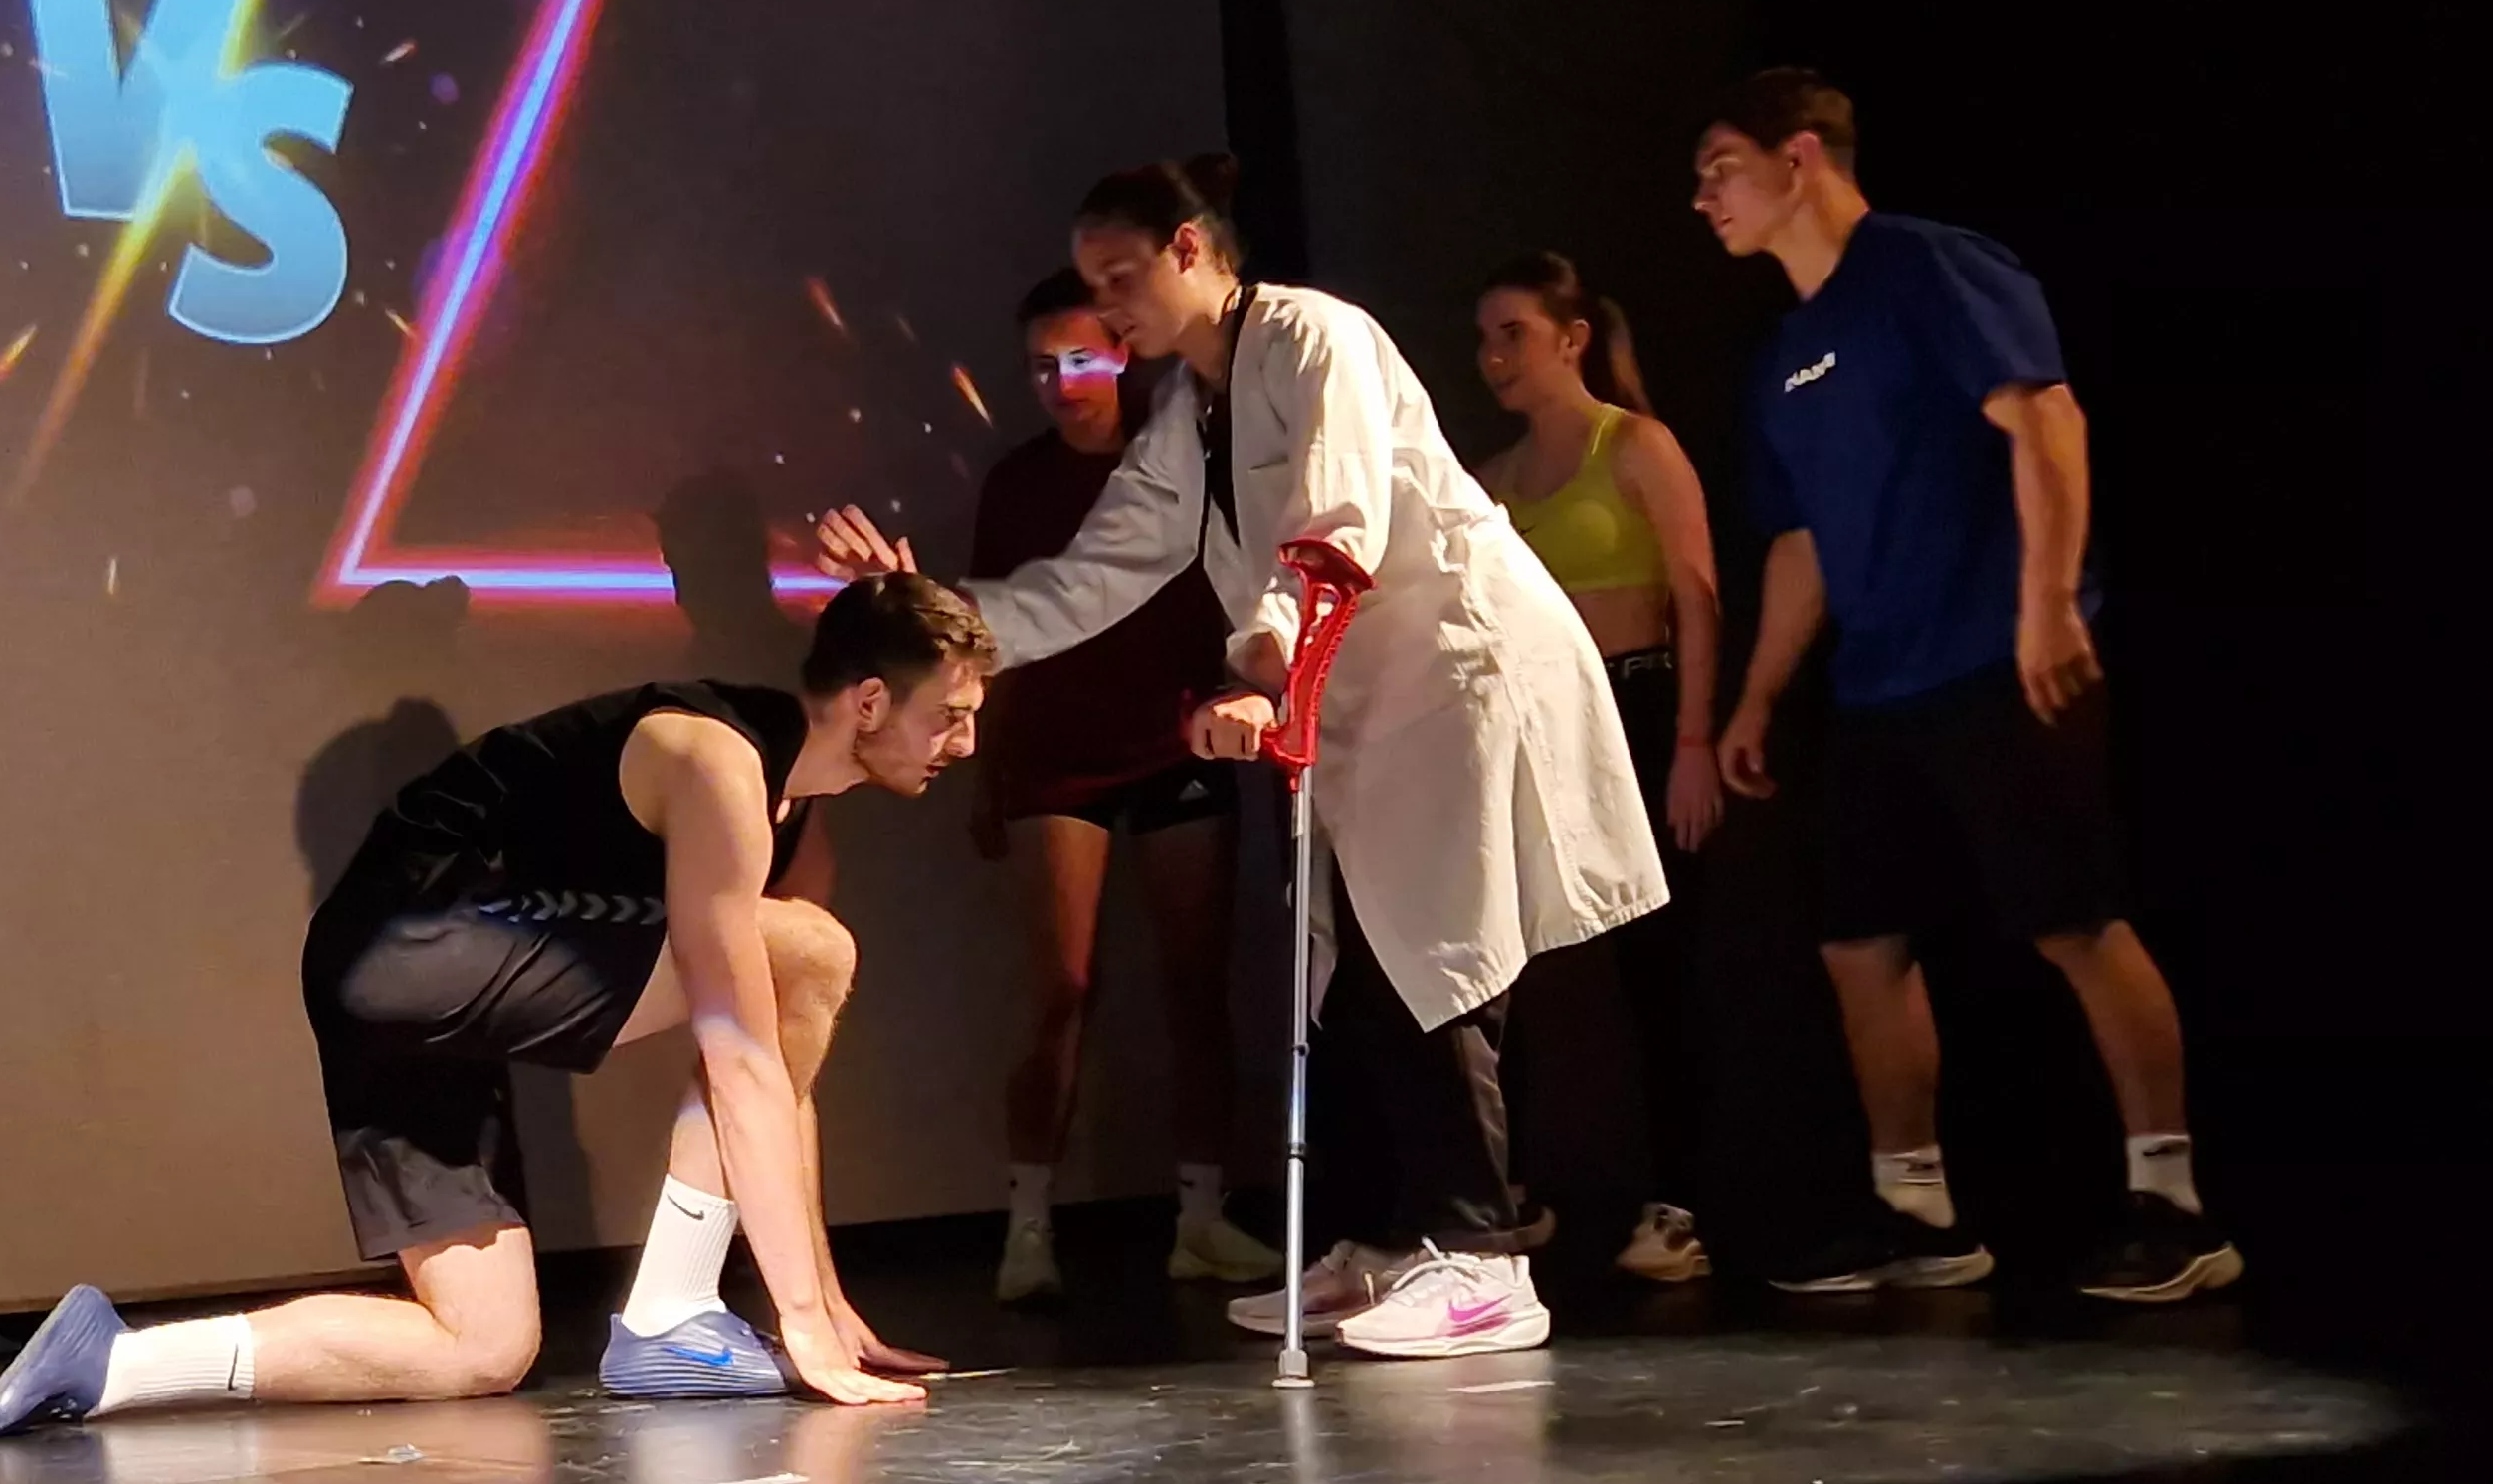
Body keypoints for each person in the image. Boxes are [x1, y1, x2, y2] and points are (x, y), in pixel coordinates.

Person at [818, 157, 1664, 1360]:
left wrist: (1263, 672)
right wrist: (931, 615)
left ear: (1188, 251)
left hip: (1454, 676)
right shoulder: (1187, 412)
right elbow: (1099, 571)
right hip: (1362, 698)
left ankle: (1482, 1263)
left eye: (1122, 275)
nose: (1107, 307)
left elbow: (1332, 530)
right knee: (1349, 975)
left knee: (1434, 954)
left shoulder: (1318, 338)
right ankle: (1376, 1245)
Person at [0, 576, 992, 1435]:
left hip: (381, 978)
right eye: (949, 714)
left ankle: (108, 1362)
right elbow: (742, 1054)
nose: (965, 743)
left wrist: (825, 1296)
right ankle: (674, 1308)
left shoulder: (781, 789)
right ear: (865, 702)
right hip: (422, 940)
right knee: (808, 951)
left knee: (481, 1346)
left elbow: (778, 1055)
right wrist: (799, 1320)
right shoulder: (718, 759)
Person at [1694, 69, 2233, 1303]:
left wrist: (2044, 603)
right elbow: (1800, 544)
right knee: (1856, 940)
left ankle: (2176, 1200)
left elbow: (2045, 419)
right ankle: (1915, 1210)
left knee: (2071, 919)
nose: (1703, 196)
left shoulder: (1926, 266)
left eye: (1721, 166)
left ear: (1802, 158)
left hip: (2001, 656)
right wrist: (1757, 697)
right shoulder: (1782, 352)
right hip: (1880, 684)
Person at [967, 272, 1271, 1302]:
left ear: (1125, 352)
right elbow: (991, 636)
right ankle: (1026, 1228)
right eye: (1042, 365)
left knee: (1195, 987)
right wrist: (985, 772)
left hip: (1178, 744)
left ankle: (1200, 1216)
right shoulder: (1016, 484)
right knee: (1063, 992)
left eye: (1083, 357)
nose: (1062, 381)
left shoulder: (1186, 458)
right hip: (1056, 760)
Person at [1471, 254, 1728, 1282]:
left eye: (1513, 333)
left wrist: (1696, 740)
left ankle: (1682, 1206)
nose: (1492, 356)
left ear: (1571, 338)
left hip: (1644, 703)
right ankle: (1516, 1189)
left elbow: (1696, 595)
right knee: (1524, 964)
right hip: (1544, 727)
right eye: (1483, 337)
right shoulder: (1491, 478)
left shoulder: (1637, 445)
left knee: (1662, 967)